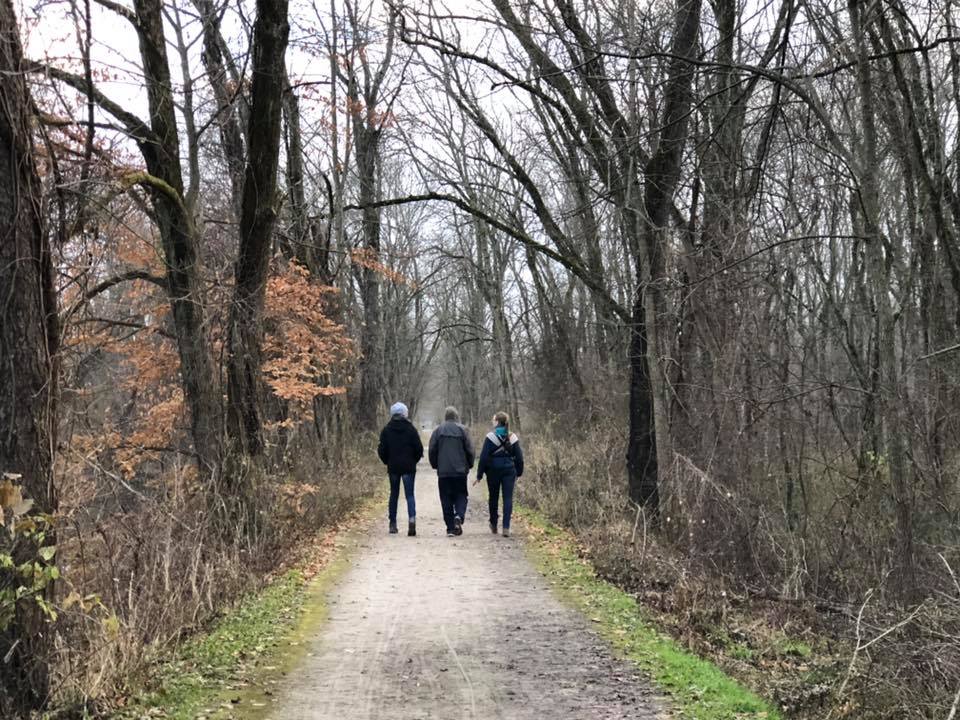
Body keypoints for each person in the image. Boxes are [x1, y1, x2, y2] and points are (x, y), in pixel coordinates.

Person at [475, 411, 524, 537]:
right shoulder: (512, 436)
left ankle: (494, 524)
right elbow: (519, 457)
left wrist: (479, 475)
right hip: (509, 470)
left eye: (493, 420)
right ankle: (506, 527)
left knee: (493, 497)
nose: (492, 422)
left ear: (497, 421)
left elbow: (484, 457)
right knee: (507, 498)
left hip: (493, 471)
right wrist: (519, 472)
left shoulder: (490, 437)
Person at [377, 402, 423, 536]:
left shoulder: (386, 430)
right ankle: (412, 519)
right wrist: (414, 460)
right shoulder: (411, 429)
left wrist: (387, 461)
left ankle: (392, 523)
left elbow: (381, 450)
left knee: (394, 494)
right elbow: (419, 449)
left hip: (393, 467)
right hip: (408, 467)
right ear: (405, 413)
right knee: (409, 495)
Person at [428, 406, 475, 536]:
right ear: (456, 417)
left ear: (445, 417)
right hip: (460, 471)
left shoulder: (438, 431)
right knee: (461, 495)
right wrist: (469, 464)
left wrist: (435, 465)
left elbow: (432, 450)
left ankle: (450, 527)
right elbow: (470, 450)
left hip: (444, 472)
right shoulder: (463, 430)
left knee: (445, 498)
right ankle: (459, 515)